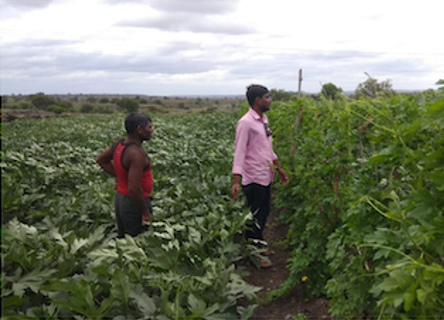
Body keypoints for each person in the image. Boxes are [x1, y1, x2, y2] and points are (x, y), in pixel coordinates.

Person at [231, 84, 289, 268]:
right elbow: (239, 152)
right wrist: (236, 181)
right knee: (255, 217)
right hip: (253, 176)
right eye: (267, 97)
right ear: (258, 100)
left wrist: (279, 168)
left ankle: (259, 246)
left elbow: (267, 149)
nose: (270, 100)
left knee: (264, 213)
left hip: (266, 174)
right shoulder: (245, 123)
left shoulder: (263, 120)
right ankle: (254, 254)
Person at [96, 112, 154, 238]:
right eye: (149, 127)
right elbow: (134, 189)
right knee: (136, 242)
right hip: (134, 204)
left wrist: (121, 177)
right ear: (139, 129)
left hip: (121, 200)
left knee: (124, 239)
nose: (152, 131)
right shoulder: (136, 154)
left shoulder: (119, 144)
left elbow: (101, 160)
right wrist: (145, 212)